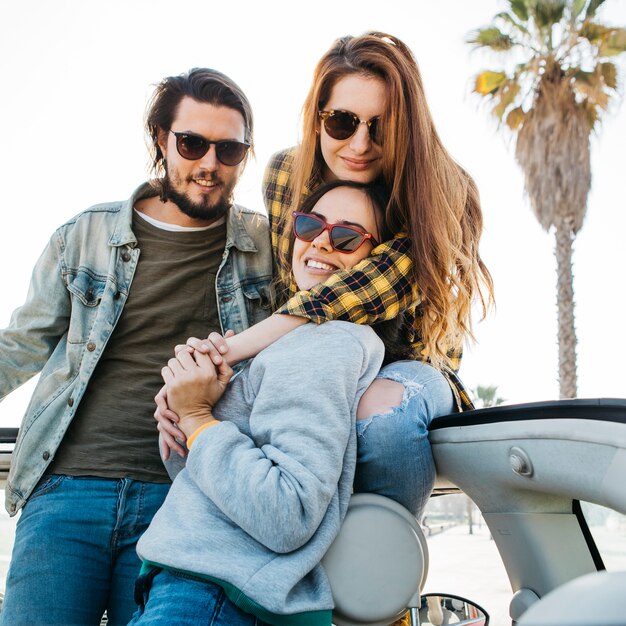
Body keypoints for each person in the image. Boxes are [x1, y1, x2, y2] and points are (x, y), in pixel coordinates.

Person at [157, 31, 495, 519]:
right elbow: (297, 284)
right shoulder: (286, 174)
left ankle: (385, 569)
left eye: (382, 127)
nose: (360, 144)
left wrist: (223, 351)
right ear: (317, 118)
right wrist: (190, 380)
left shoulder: (445, 191)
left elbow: (356, 292)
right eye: (341, 121)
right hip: (314, 359)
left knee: (385, 417)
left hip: (407, 367)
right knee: (187, 423)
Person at [0, 68, 273, 626]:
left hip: (185, 500)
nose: (209, 164)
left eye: (230, 149)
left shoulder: (267, 248)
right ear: (161, 139)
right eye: (192, 143)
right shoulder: (85, 235)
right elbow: (22, 344)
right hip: (66, 488)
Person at [130, 180, 399, 626]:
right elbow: (209, 486)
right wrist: (188, 412)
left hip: (215, 596)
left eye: (348, 237)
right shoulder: (286, 341)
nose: (321, 242)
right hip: (203, 587)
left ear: (378, 264)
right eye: (311, 225)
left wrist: (199, 421)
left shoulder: (325, 344)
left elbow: (286, 513)